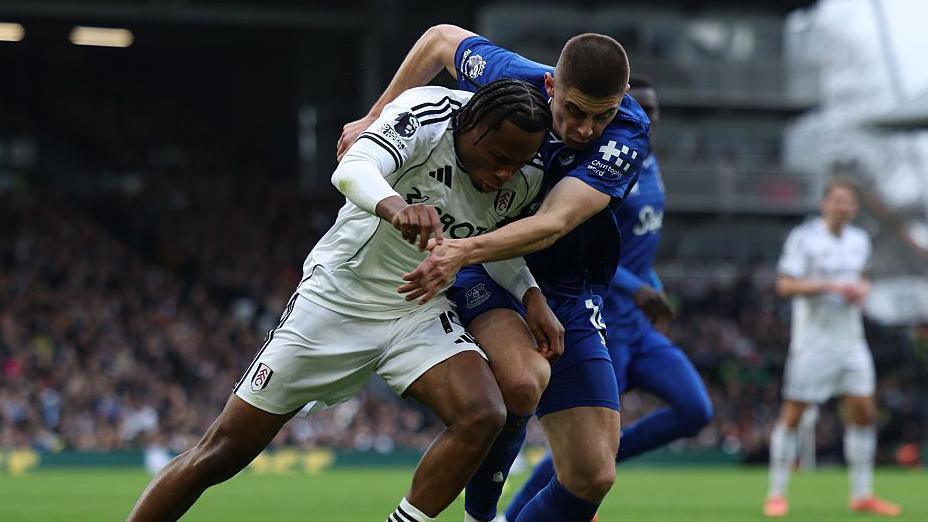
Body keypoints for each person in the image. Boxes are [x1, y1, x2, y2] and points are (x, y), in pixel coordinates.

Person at [126, 78, 559, 522]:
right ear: (472, 125)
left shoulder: (527, 176)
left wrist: (530, 294)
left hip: (417, 308)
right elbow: (352, 168)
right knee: (219, 454)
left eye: (519, 162)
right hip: (337, 301)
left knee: (483, 413)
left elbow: (489, 242)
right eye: (500, 158)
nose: (507, 173)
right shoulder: (428, 116)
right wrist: (394, 206)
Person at [339, 25, 649, 522]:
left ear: (623, 101)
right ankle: (479, 516)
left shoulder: (627, 134)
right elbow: (440, 39)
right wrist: (375, 117)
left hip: (558, 285)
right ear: (551, 87)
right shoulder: (512, 79)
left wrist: (460, 250)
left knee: (593, 474)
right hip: (488, 268)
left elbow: (553, 223)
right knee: (524, 381)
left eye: (601, 115)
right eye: (573, 111)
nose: (586, 129)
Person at [501, 76, 714, 522]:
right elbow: (579, 247)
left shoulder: (647, 165)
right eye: (640, 109)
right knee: (585, 450)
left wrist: (650, 286)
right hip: (602, 320)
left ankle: (602, 462)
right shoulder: (595, 167)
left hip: (639, 324)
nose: (647, 118)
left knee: (695, 409)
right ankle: (512, 514)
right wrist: (635, 286)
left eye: (653, 111)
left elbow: (636, 244)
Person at [763, 178, 901, 518]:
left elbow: (861, 277)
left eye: (849, 202)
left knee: (864, 412)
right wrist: (829, 286)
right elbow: (784, 284)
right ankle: (776, 493)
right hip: (813, 343)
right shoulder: (805, 238)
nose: (843, 207)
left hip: (851, 342)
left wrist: (861, 288)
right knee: (794, 415)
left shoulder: (859, 240)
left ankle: (862, 494)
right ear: (825, 203)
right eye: (838, 200)